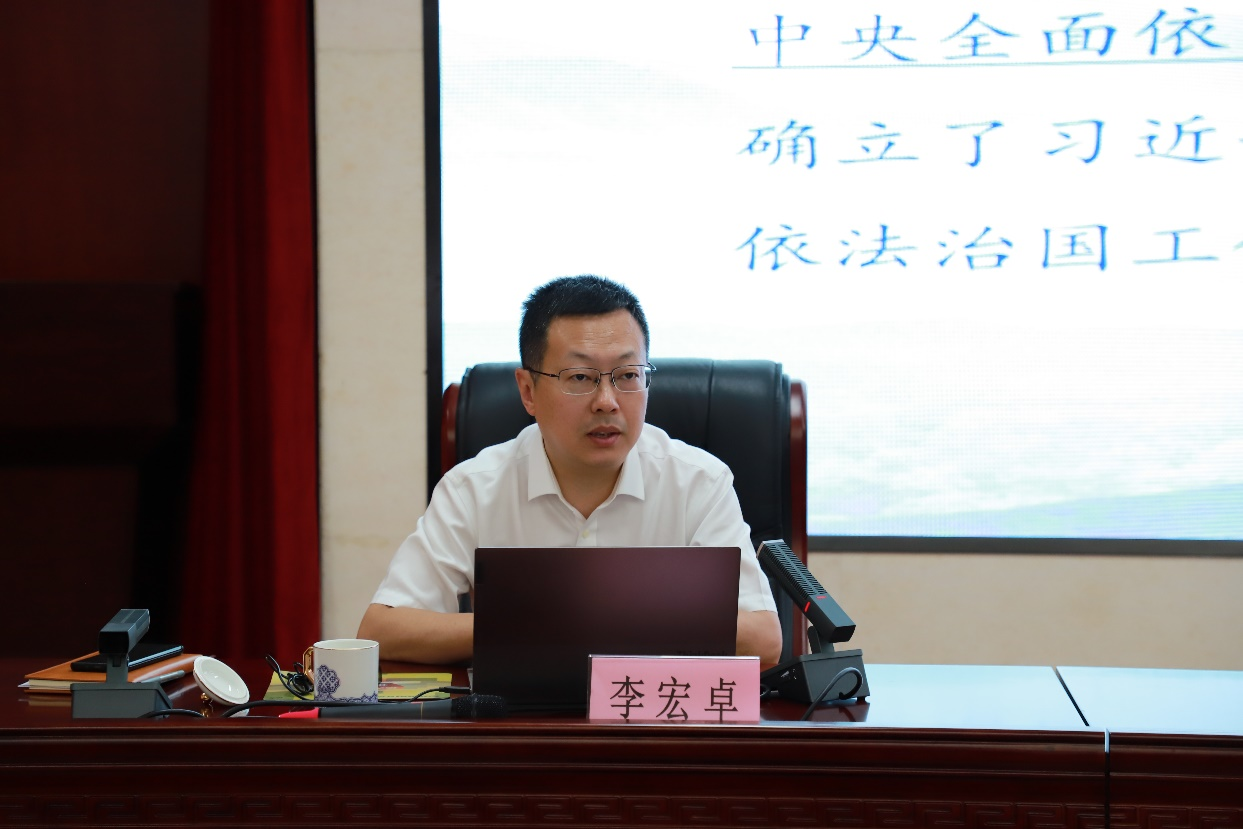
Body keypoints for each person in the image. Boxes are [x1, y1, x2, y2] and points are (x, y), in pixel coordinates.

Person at [358, 275, 782, 665]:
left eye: (627, 375)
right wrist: (545, 625)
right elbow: (384, 631)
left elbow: (762, 640)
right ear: (528, 391)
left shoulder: (698, 483)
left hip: (653, 717)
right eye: (580, 377)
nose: (607, 401)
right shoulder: (474, 487)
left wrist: (576, 624)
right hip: (521, 719)